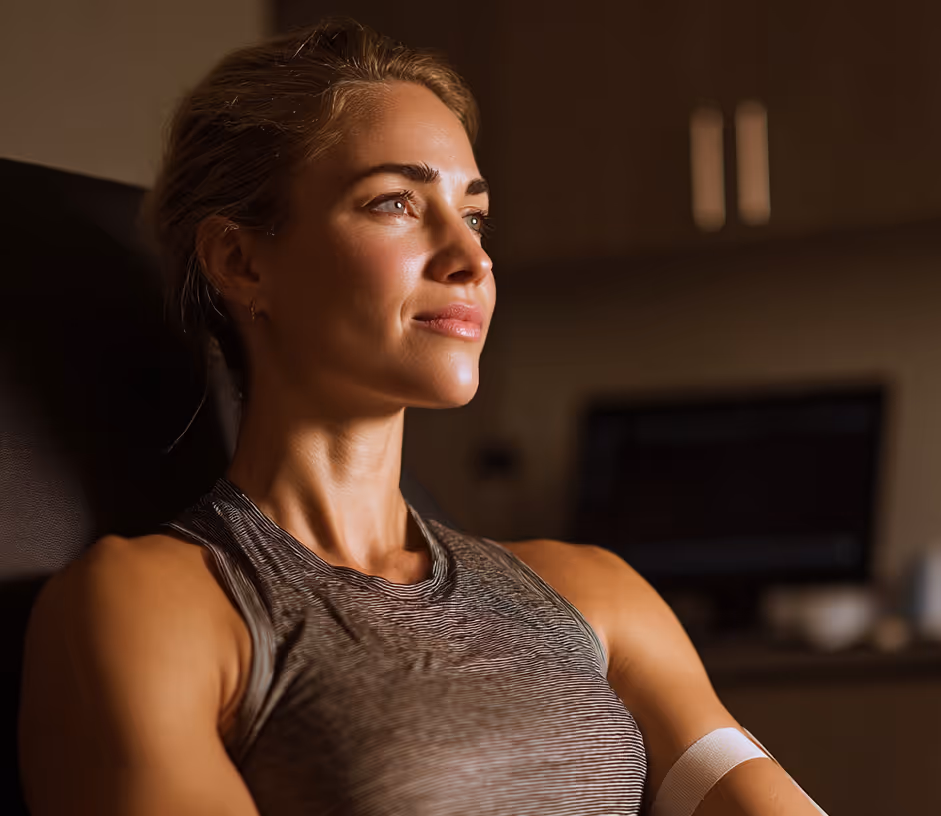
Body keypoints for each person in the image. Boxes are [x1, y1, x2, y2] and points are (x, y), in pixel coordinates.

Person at [18, 18, 825, 816]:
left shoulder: (595, 597)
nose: (470, 259)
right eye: (396, 203)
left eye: (472, 215)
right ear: (241, 260)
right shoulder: (159, 605)